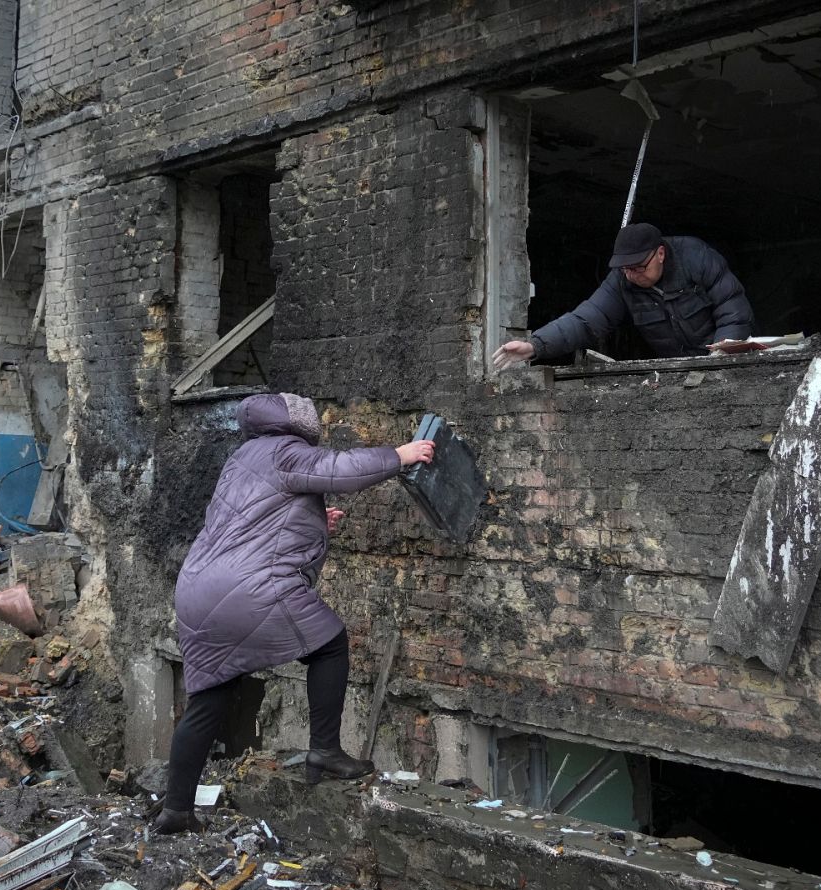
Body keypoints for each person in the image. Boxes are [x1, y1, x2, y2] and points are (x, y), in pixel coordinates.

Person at [153, 392, 436, 834]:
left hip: (196, 589)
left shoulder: (243, 457)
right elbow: (340, 471)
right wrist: (399, 455)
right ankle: (324, 749)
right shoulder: (286, 450)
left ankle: (176, 809)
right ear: (298, 422)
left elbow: (252, 523)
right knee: (329, 646)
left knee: (210, 696)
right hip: (248, 587)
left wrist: (317, 523)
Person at [492, 223, 754, 369]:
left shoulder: (696, 257)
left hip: (723, 362)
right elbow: (586, 320)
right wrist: (535, 345)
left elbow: (733, 309)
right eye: (626, 269)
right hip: (679, 368)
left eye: (639, 268)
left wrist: (721, 359)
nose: (632, 276)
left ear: (660, 254)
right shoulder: (622, 280)